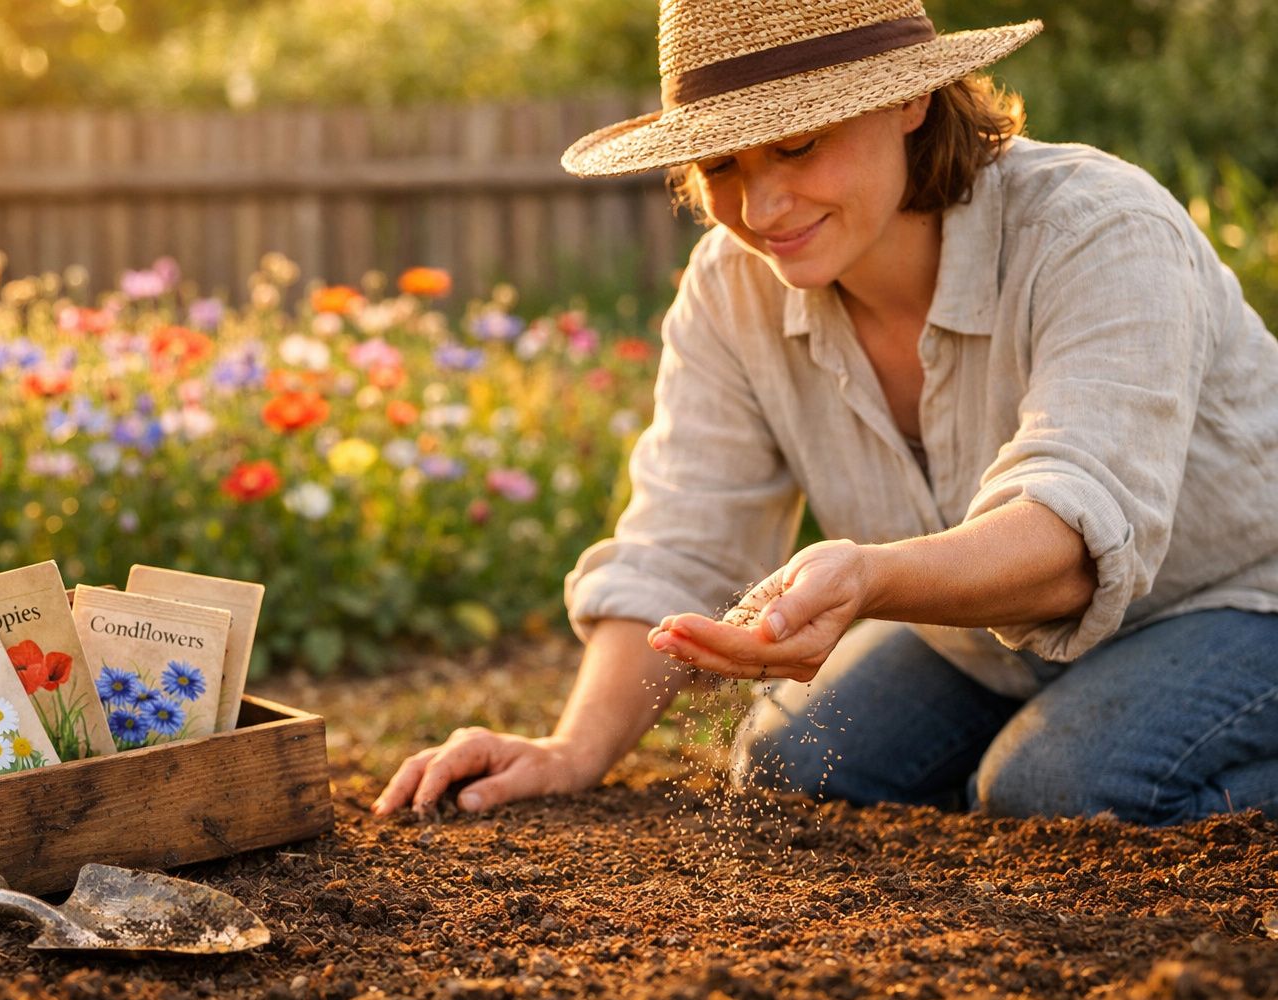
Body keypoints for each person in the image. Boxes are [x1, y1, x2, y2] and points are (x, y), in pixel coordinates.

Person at [374, 0, 1278, 826]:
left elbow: (1071, 542)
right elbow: (682, 542)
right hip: (983, 648)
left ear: (911, 102)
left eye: (799, 145)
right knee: (789, 767)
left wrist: (872, 579)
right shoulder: (733, 293)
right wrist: (570, 750)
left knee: (1059, 791)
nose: (761, 208)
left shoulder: (1096, 231)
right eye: (722, 164)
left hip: (1236, 602)